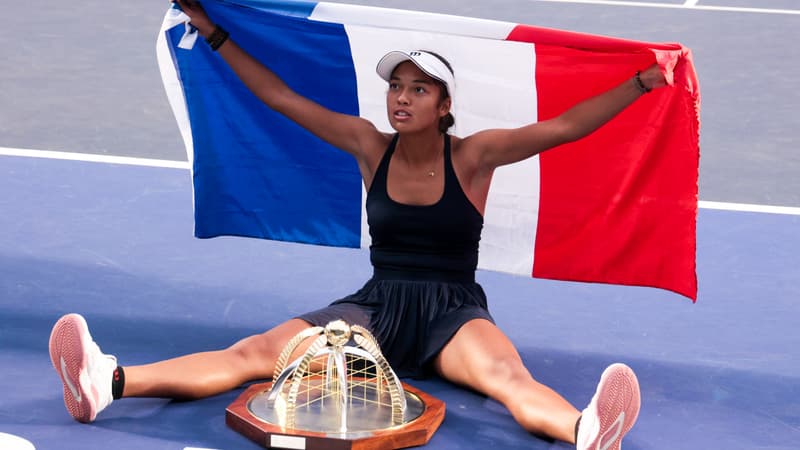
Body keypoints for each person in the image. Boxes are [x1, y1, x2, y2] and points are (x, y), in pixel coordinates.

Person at [49, 0, 667, 448]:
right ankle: (107, 381)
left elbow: (564, 127)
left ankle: (585, 431)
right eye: (396, 86)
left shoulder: (475, 156)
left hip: (452, 316)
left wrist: (640, 82)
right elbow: (282, 98)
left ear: (444, 105)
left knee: (508, 379)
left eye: (418, 90)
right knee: (255, 353)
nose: (402, 97)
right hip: (373, 311)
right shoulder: (370, 145)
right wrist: (214, 34)